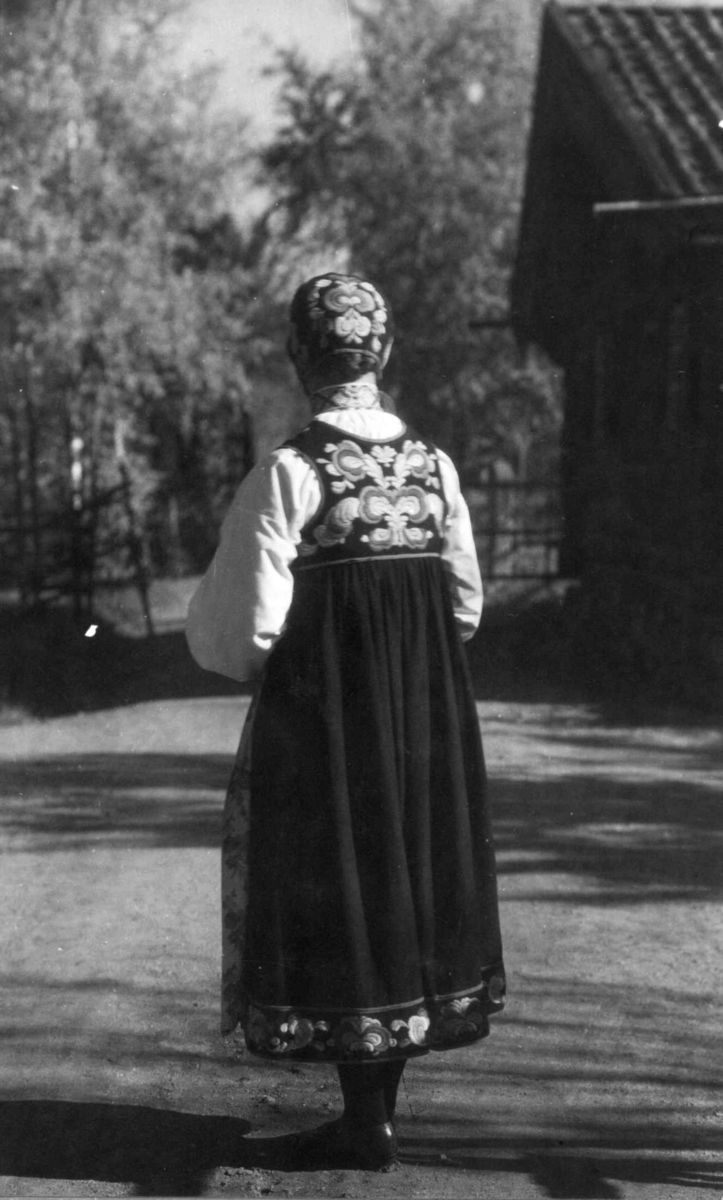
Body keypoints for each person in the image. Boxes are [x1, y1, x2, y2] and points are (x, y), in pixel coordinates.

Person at [186, 272, 505, 1171]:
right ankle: (374, 1114)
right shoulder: (434, 468)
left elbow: (238, 632)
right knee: (405, 876)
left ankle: (364, 1119)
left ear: (299, 358)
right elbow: (466, 607)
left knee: (346, 886)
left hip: (327, 720)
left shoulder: (289, 473)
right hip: (424, 715)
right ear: (386, 352)